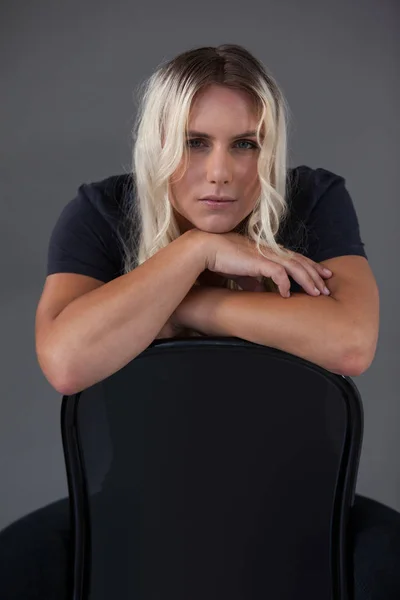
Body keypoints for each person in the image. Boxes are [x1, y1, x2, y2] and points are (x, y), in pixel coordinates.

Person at [1, 43, 398, 599]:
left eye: (244, 145)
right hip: (133, 507)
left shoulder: (312, 198)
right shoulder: (102, 211)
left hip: (304, 504)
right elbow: (67, 362)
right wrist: (197, 255)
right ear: (159, 142)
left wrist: (183, 305)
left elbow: (351, 343)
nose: (220, 173)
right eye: (194, 143)